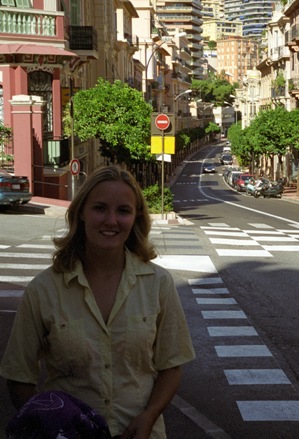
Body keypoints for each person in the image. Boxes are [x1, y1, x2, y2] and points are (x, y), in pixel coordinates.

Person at [0, 165, 195, 439]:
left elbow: (171, 366)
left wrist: (149, 415)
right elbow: (19, 377)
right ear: (81, 212)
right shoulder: (44, 289)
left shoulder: (158, 284)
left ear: (136, 217)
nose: (111, 221)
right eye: (100, 208)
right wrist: (53, 424)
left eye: (123, 211)